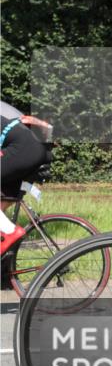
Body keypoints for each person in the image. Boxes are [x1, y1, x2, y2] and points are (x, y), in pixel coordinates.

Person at [1, 100, 52, 253]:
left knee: (7, 230)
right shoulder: (8, 118)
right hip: (34, 149)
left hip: (24, 151)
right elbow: (30, 120)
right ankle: (5, 270)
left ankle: (10, 232)